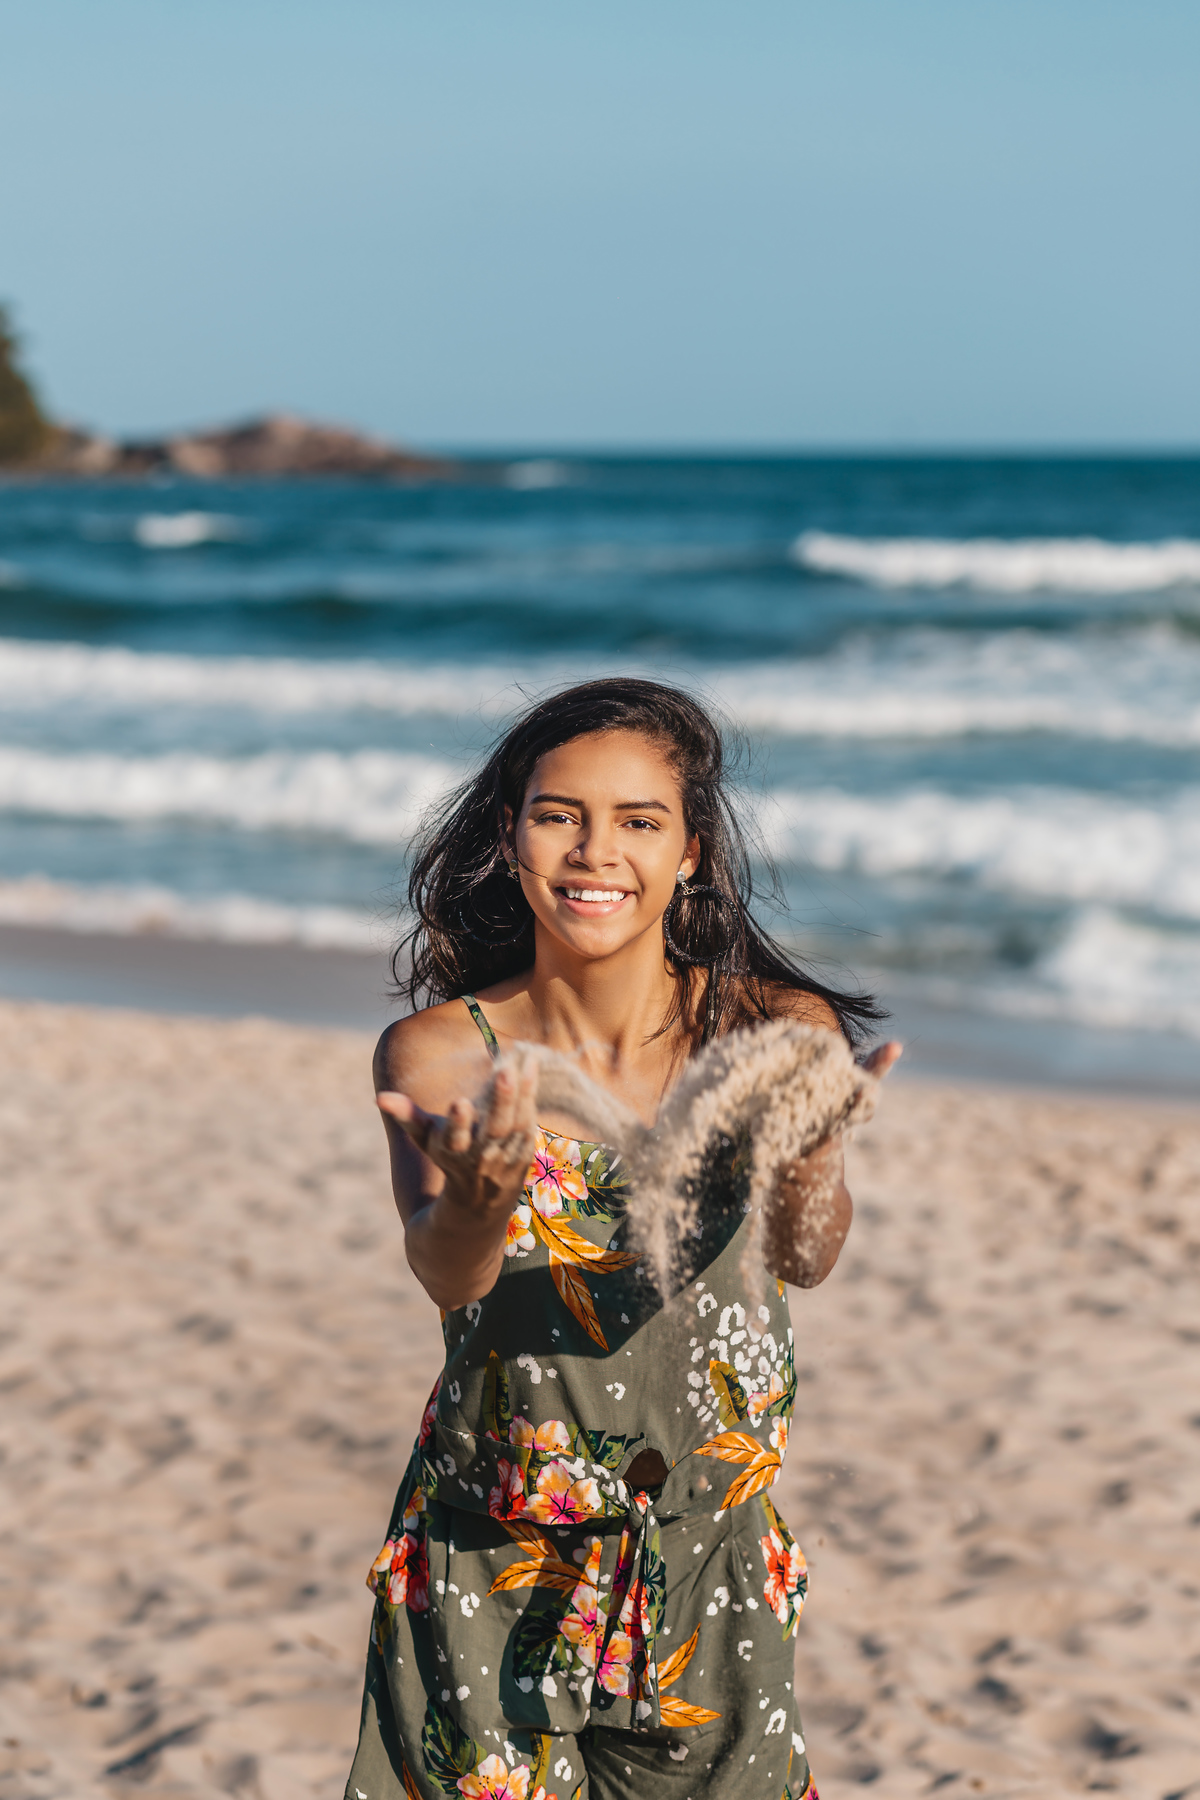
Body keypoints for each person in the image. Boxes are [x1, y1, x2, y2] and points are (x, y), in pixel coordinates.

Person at [345, 678, 899, 1800]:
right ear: (510, 836)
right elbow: (449, 1275)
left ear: (692, 851)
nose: (596, 853)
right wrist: (473, 1204)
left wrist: (816, 1158)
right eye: (559, 816)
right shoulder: (442, 1053)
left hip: (711, 1553)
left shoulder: (773, 1027)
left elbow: (806, 1253)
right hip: (491, 1555)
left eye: (639, 821)